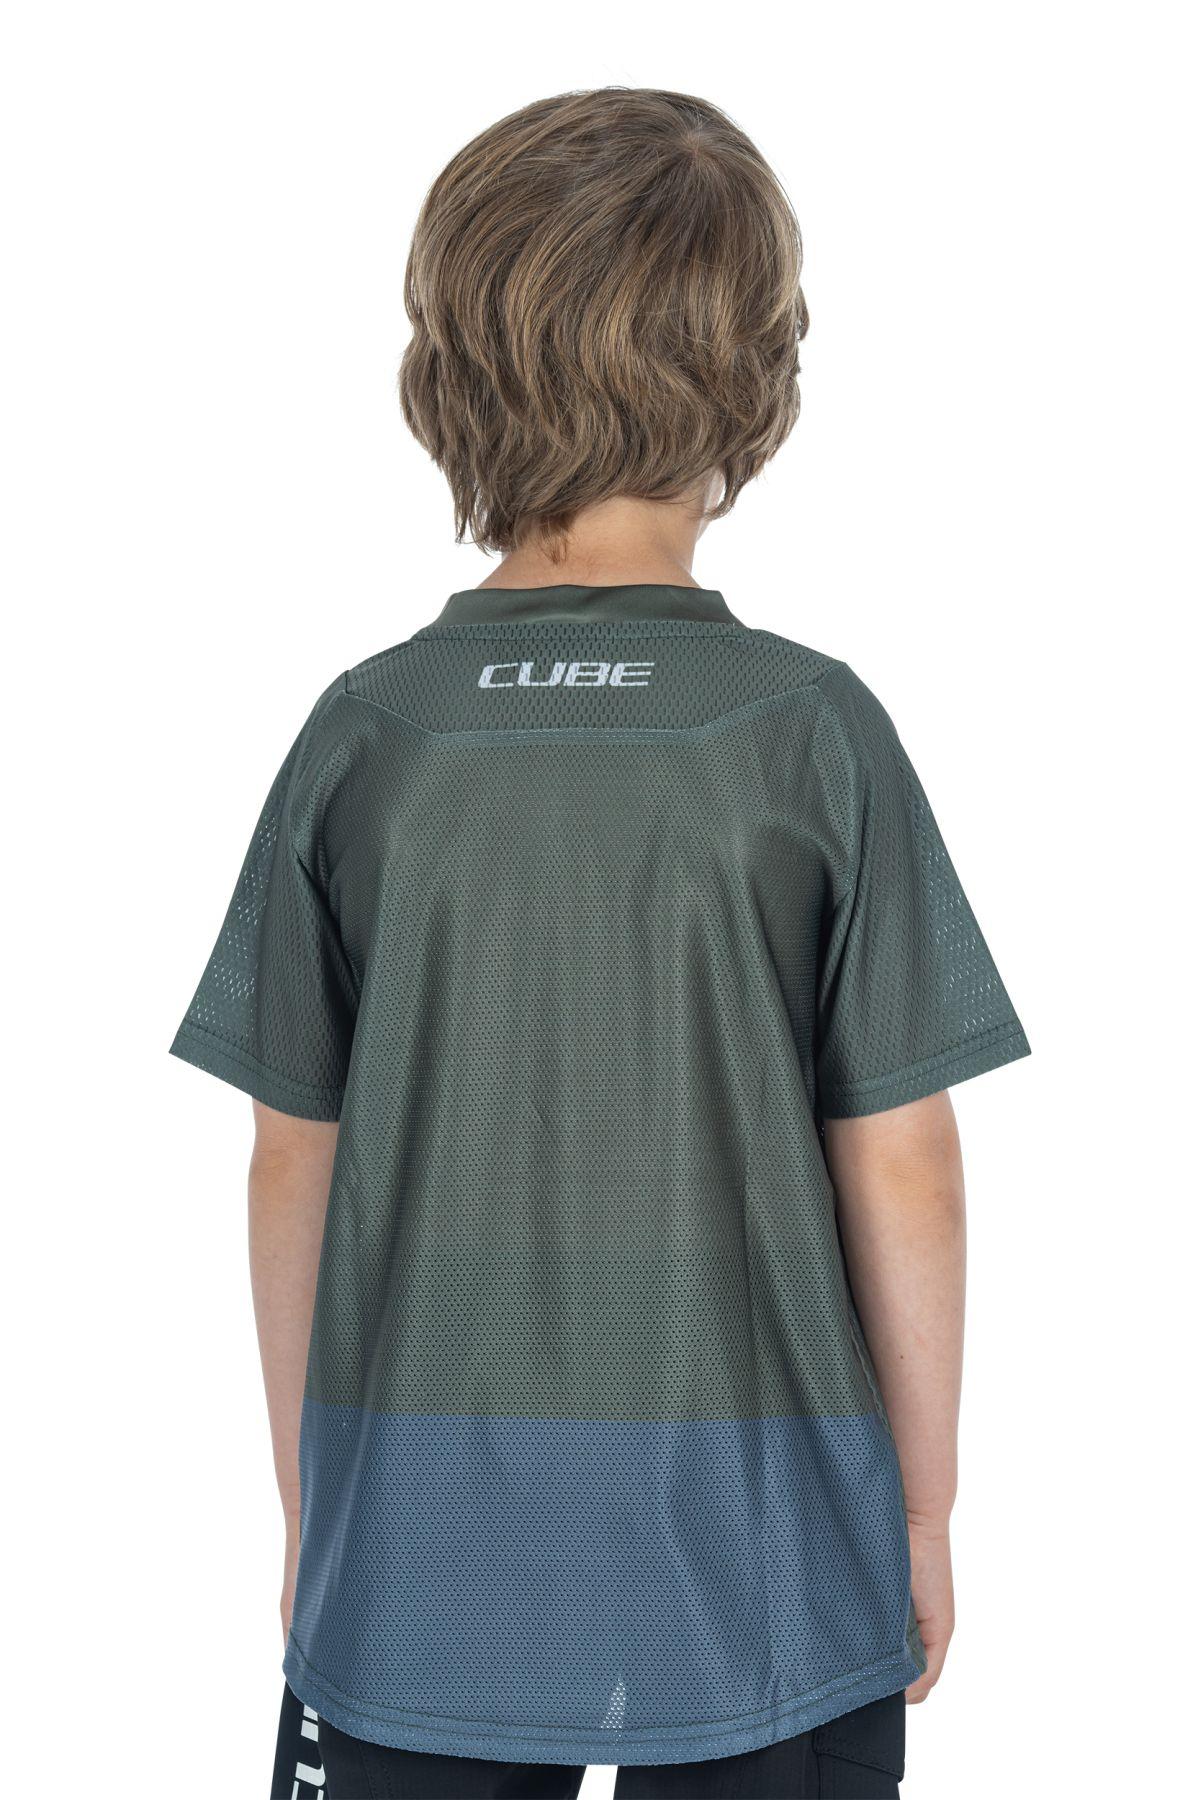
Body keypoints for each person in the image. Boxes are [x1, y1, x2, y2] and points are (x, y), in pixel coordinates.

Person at [171, 88, 1029, 1800]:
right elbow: (904, 1158)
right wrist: (923, 1510)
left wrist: (317, 1511)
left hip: (419, 1545)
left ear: (452, 365)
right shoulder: (806, 731)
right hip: (768, 1537)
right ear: (757, 368)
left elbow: (291, 1156)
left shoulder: (369, 734)